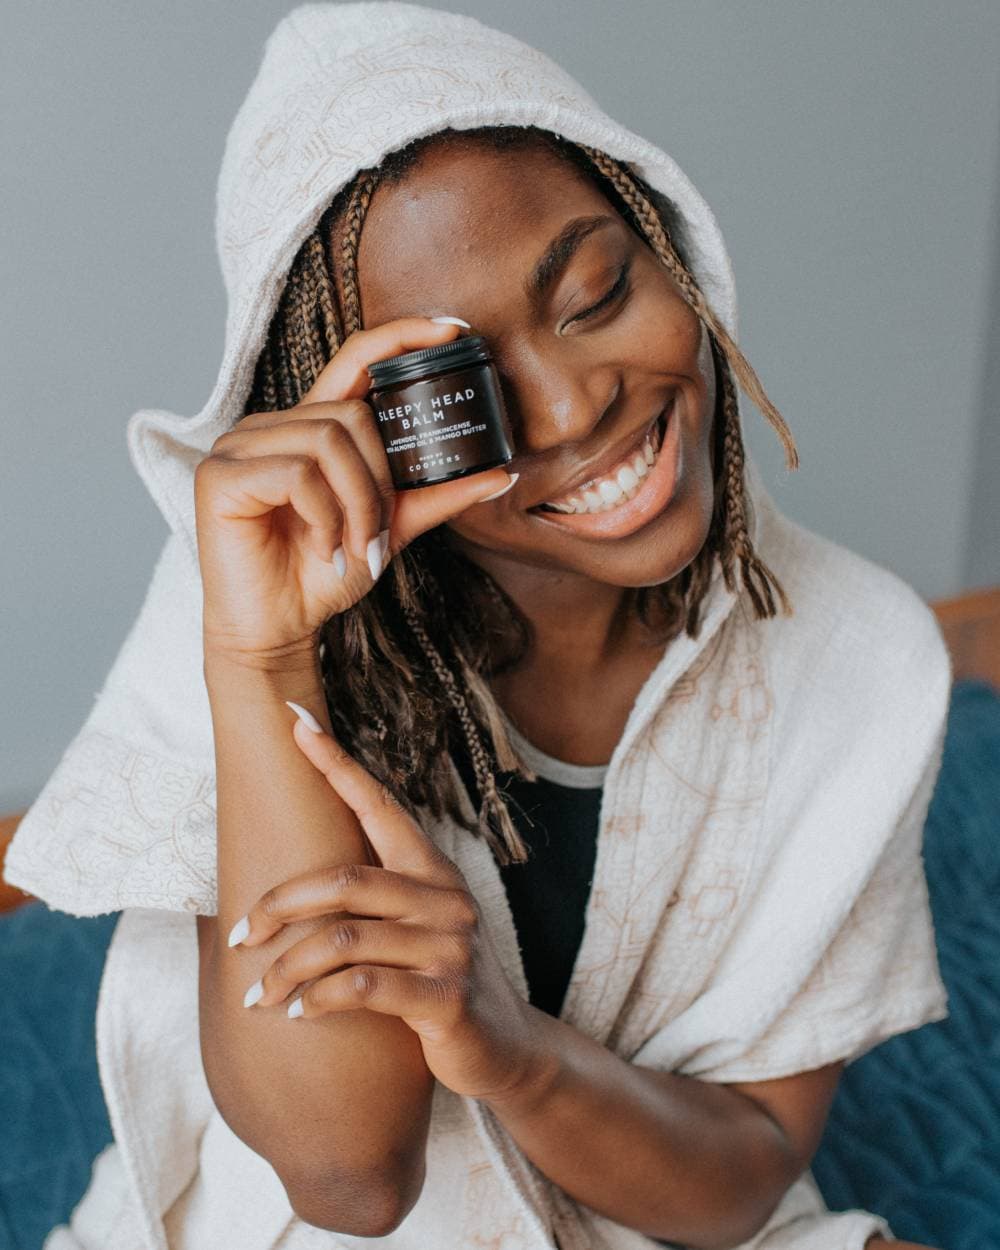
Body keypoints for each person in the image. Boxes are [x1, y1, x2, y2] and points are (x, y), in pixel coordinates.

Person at [3, 4, 953, 1248]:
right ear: (358, 426)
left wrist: (506, 1044)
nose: (567, 410)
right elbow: (346, 1182)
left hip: (633, 1189)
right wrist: (258, 661)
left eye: (597, 291)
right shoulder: (256, 590)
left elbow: (745, 1171)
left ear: (671, 252)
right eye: (460, 392)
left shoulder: (864, 656)